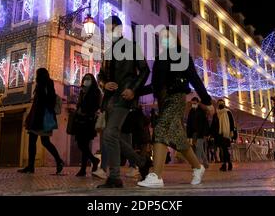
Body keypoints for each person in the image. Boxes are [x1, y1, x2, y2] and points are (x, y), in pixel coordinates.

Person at [137, 26, 212, 188]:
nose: (165, 39)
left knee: (161, 128)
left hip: (177, 98)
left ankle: (156, 175)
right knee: (179, 139)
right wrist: (136, 91)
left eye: (168, 36)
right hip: (164, 101)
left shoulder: (181, 55)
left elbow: (194, 78)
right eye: (162, 36)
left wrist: (207, 100)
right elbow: (155, 85)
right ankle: (198, 167)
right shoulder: (160, 59)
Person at [97, 16, 151, 188]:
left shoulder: (132, 47)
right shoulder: (107, 52)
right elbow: (100, 75)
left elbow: (144, 70)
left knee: (110, 133)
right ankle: (141, 163)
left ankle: (114, 177)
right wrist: (105, 84)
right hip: (109, 100)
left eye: (112, 28)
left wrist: (133, 89)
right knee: (110, 135)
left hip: (125, 97)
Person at [18, 68, 64, 174]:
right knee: (36, 142)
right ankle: (31, 166)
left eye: (37, 74)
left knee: (43, 142)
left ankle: (58, 161)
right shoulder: (40, 84)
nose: (36, 76)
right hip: (37, 118)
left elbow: (49, 99)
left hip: (42, 118)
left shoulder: (47, 83)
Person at [74, 74, 102, 176]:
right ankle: (90, 163)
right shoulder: (82, 91)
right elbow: (80, 104)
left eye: (89, 79)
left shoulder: (95, 92)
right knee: (82, 145)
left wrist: (85, 112)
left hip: (88, 121)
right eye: (85, 78)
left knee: (83, 144)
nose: (86, 80)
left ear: (92, 81)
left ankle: (87, 166)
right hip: (80, 120)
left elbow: (95, 106)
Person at [210, 99, 236, 171]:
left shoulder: (228, 112)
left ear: (224, 104)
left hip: (226, 133)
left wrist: (231, 132)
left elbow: (231, 123)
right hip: (218, 134)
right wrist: (211, 134)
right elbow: (213, 124)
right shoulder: (216, 114)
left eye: (222, 103)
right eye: (219, 103)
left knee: (224, 149)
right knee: (224, 149)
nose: (220, 104)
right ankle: (228, 163)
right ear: (217, 104)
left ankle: (225, 164)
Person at [186, 97, 210, 168]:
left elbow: (205, 123)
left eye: (195, 103)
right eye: (192, 103)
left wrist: (206, 133)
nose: (193, 104)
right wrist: (189, 135)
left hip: (201, 133)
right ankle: (206, 163)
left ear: (198, 103)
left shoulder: (201, 111)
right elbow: (189, 123)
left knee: (198, 148)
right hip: (194, 133)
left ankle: (197, 164)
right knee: (200, 148)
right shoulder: (191, 111)